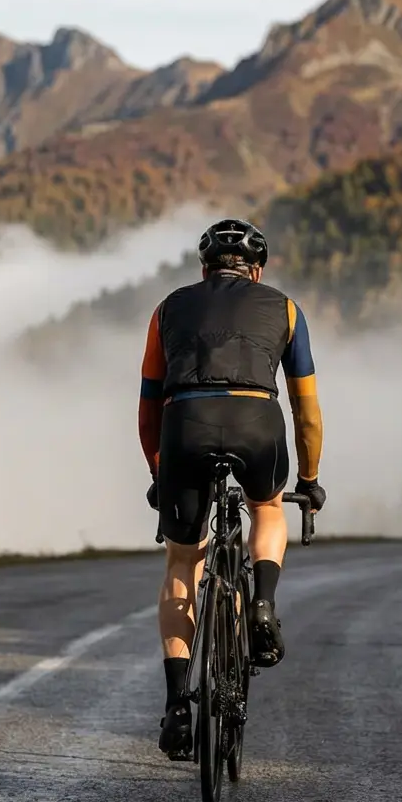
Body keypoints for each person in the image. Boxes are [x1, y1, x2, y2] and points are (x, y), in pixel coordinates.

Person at [137, 217, 327, 758]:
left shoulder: (168, 308)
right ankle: (262, 603)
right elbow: (306, 408)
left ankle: (178, 704)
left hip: (184, 426)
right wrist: (309, 480)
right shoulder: (285, 308)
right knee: (267, 506)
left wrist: (159, 469)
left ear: (203, 270)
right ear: (257, 270)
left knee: (182, 560)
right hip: (256, 423)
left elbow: (149, 404)